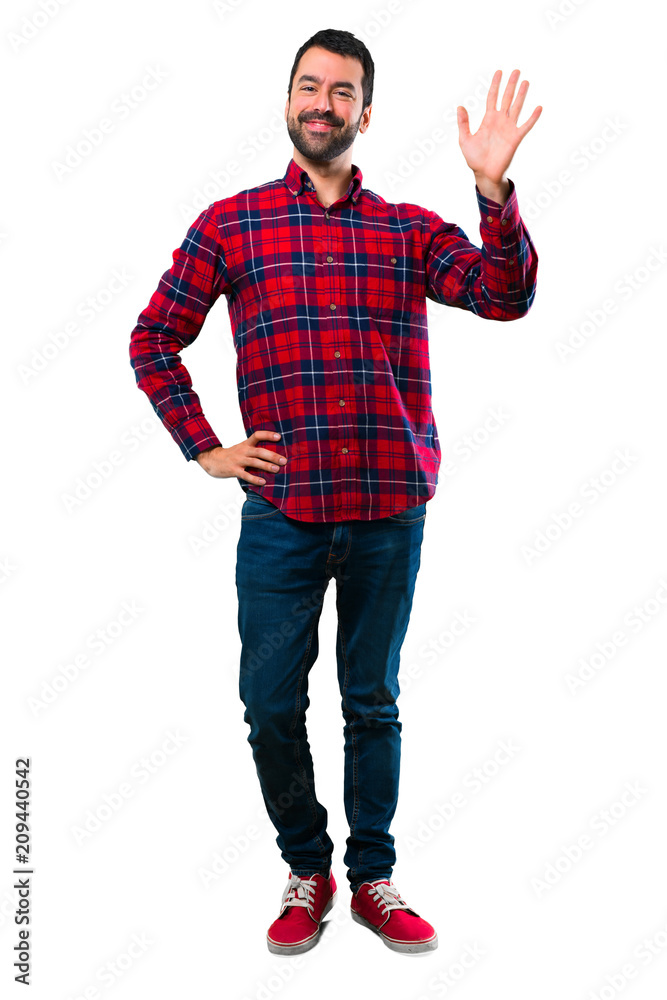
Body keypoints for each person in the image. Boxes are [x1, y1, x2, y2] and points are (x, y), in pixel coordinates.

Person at [129, 28, 541, 956]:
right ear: (288, 101)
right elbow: (153, 339)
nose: (323, 103)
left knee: (371, 702)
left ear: (364, 113)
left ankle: (371, 878)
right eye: (309, 86)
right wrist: (205, 447)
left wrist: (490, 192)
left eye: (342, 90)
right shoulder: (230, 224)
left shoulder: (407, 229)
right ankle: (305, 868)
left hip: (390, 510)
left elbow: (505, 296)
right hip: (283, 514)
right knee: (270, 705)